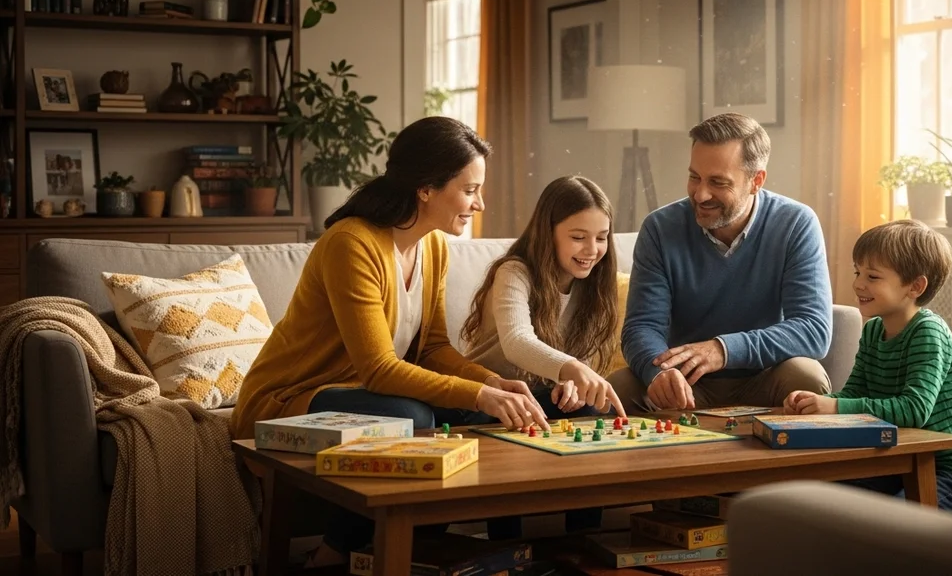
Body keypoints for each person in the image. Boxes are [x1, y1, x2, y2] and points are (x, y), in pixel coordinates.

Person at [230, 115, 549, 567]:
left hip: (363, 394)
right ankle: (332, 552)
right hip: (288, 399)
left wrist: (490, 383)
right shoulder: (351, 244)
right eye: (470, 189)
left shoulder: (433, 247)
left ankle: (460, 552)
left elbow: (433, 349)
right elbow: (378, 369)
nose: (479, 203)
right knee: (412, 416)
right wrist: (479, 392)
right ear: (426, 188)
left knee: (478, 410)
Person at [606, 112, 833, 411]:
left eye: (718, 182)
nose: (701, 194)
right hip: (687, 385)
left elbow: (813, 329)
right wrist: (659, 373)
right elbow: (642, 326)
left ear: (756, 181)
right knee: (620, 388)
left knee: (807, 377)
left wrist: (723, 349)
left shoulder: (796, 224)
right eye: (694, 177)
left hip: (765, 377)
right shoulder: (659, 228)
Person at [462, 175, 627, 537]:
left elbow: (582, 356)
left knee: (590, 414)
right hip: (490, 395)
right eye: (578, 237)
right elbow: (517, 341)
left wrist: (570, 386)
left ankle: (583, 543)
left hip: (541, 395)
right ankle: (506, 549)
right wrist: (570, 369)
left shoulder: (593, 283)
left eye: (601, 237)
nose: (592, 250)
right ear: (547, 233)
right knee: (512, 418)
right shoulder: (514, 272)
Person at [784, 219, 952, 515]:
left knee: (891, 525)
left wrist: (834, 407)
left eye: (873, 276)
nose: (858, 284)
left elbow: (914, 410)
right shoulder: (873, 330)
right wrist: (815, 403)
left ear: (915, 286)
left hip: (951, 471)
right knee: (826, 499)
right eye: (858, 272)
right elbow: (854, 393)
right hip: (898, 459)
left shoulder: (928, 332)